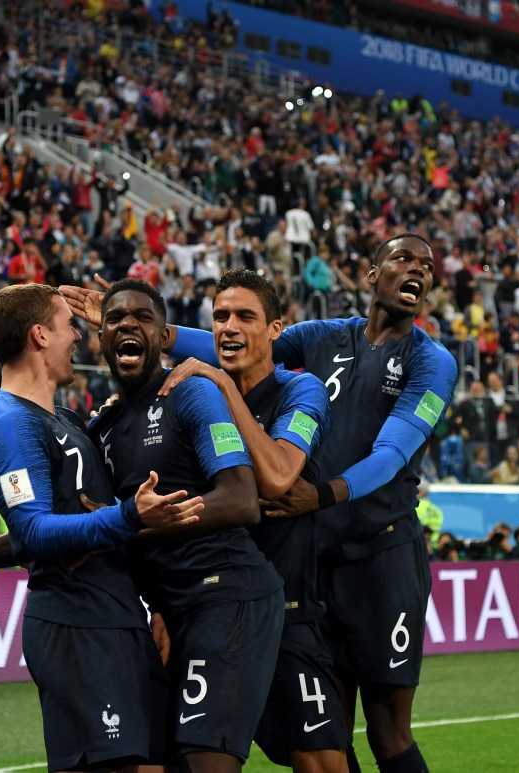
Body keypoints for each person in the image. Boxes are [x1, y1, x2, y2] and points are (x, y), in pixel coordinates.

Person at [63, 233, 458, 772]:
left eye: (426, 265)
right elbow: (240, 344)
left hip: (381, 554)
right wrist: (151, 332)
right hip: (312, 564)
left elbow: (393, 453)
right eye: (403, 258)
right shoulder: (320, 339)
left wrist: (322, 494)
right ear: (371, 275)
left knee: (388, 729)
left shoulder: (432, 362)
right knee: (331, 738)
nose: (417, 269)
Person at [0, 283, 203, 773]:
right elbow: (36, 532)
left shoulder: (63, 417)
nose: (78, 337)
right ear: (40, 336)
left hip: (118, 620)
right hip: (76, 628)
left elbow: (51, 523)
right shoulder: (10, 426)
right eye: (68, 326)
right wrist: (129, 515)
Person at [90, 279, 284, 772]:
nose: (128, 325)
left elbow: (242, 501)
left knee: (206, 762)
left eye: (142, 318)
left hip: (228, 594)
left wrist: (137, 525)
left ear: (162, 336)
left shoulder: (191, 393)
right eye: (114, 319)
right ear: (101, 338)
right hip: (172, 611)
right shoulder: (104, 427)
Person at [156, 269, 346, 772]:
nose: (228, 326)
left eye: (245, 316)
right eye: (220, 316)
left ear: (276, 329)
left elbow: (281, 475)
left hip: (289, 611)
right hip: (210, 611)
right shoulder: (191, 398)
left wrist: (224, 385)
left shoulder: (300, 392)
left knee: (325, 764)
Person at [414, 482, 443, 555]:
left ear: (421, 491)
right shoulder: (437, 510)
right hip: (434, 546)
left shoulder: (416, 507)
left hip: (421, 546)